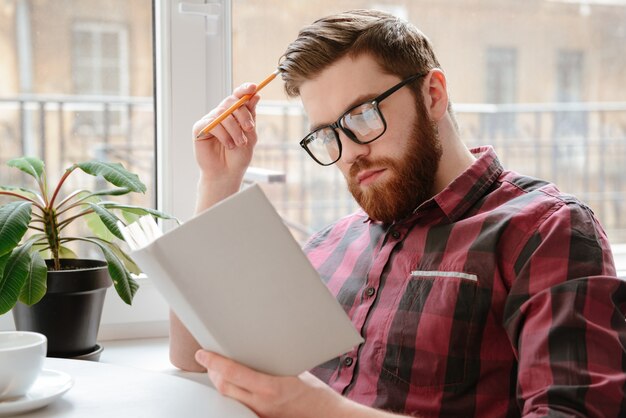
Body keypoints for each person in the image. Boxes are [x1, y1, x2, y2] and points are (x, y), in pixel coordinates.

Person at [170, 9, 626, 418]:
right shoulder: (329, 246)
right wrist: (218, 180)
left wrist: (319, 411)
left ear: (432, 94)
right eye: (328, 136)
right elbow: (193, 355)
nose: (349, 153)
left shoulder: (546, 230)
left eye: (363, 116)